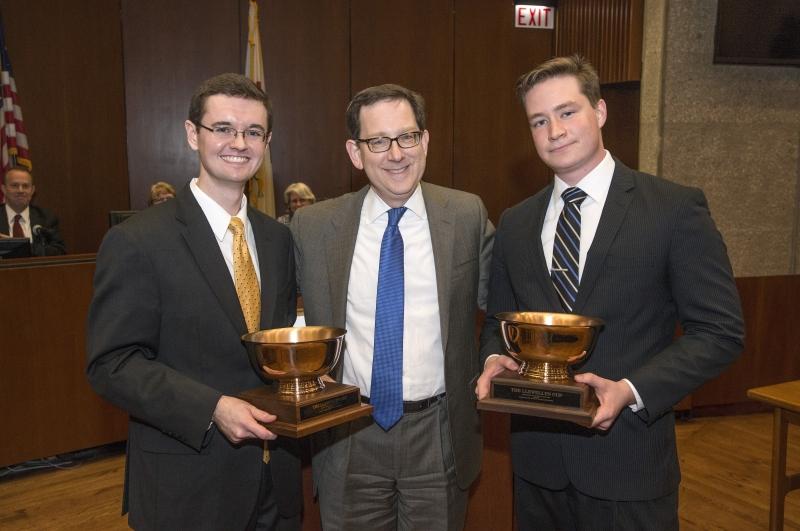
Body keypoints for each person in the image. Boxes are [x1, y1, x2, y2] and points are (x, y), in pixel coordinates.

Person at [476, 55, 745, 530]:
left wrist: (630, 391)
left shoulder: (674, 209)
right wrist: (494, 360)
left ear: (599, 112)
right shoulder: (516, 222)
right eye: (539, 121)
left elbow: (720, 331)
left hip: (630, 464)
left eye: (567, 112)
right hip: (539, 467)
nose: (554, 130)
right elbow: (500, 322)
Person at [86, 73, 301, 531]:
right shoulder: (137, 241)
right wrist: (212, 407)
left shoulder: (278, 239)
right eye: (223, 128)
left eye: (253, 132)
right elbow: (112, 364)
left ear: (267, 142)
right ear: (192, 134)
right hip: (188, 487)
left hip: (275, 480)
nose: (238, 142)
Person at [291, 84, 494, 531]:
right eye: (378, 141)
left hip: (438, 434)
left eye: (407, 137)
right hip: (347, 433)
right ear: (355, 152)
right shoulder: (313, 226)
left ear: (425, 141)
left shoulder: (465, 215)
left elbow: (500, 307)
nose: (396, 154)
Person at [1, 166, 66, 256]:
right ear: (4, 189)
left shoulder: (46, 218)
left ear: (32, 190)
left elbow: (59, 250)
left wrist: (19, 247)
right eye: (14, 185)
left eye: (25, 186)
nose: (20, 190)